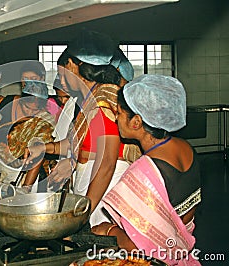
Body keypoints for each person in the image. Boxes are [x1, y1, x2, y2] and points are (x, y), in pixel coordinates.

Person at [92, 74, 201, 265]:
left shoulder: (142, 173)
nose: (115, 118)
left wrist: (110, 231)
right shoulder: (186, 148)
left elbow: (141, 250)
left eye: (119, 113)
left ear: (136, 122)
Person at [25, 31, 131, 226]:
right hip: (90, 181)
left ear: (73, 65)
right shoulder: (91, 99)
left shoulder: (102, 102)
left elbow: (107, 163)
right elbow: (75, 144)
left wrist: (86, 210)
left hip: (104, 189)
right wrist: (44, 148)